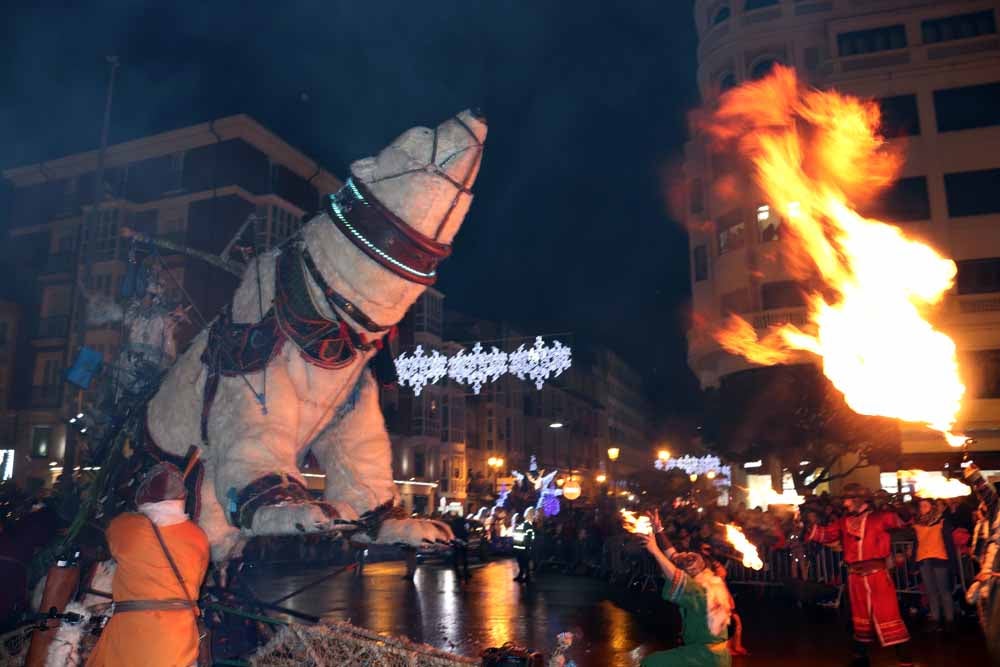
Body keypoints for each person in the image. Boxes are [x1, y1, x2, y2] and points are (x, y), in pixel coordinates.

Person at [87, 462, 209, 667]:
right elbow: (198, 578)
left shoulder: (125, 526)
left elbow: (108, 543)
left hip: (132, 633)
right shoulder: (198, 536)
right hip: (179, 637)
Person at [807, 482, 913, 667]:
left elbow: (904, 521)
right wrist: (807, 523)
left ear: (857, 500)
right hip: (855, 577)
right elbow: (826, 534)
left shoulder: (880, 517)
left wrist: (898, 505)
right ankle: (860, 658)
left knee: (888, 614)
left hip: (877, 575)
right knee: (860, 617)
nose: (844, 504)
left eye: (847, 500)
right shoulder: (844, 521)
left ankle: (904, 659)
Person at [638, 523, 732, 666]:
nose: (684, 554)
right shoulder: (708, 579)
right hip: (714, 654)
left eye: (688, 557)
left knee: (651, 663)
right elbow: (673, 556)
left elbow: (676, 576)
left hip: (706, 657)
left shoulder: (698, 591)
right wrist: (659, 530)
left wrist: (655, 550)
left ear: (688, 573)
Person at [912, 497, 956, 632]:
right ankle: (935, 619)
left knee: (944, 590)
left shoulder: (942, 521)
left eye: (925, 505)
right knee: (931, 591)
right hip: (923, 558)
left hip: (939, 557)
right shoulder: (917, 523)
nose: (922, 508)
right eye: (921, 506)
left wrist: (952, 562)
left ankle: (949, 620)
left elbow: (949, 543)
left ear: (932, 507)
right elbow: (916, 544)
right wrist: (914, 563)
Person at [512, 507, 536, 583]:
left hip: (520, 547)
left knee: (522, 562)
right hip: (523, 547)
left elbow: (527, 537)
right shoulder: (528, 526)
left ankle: (524, 575)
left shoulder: (523, 525)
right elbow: (530, 538)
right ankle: (525, 576)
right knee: (524, 563)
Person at [449, 509, 471, 581]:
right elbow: (467, 529)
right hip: (463, 540)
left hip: (456, 540)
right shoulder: (464, 521)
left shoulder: (453, 523)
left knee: (456, 558)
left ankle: (458, 573)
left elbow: (451, 532)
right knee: (464, 557)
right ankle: (466, 572)